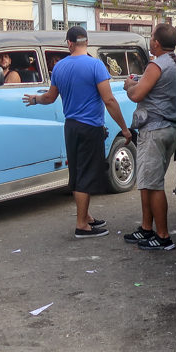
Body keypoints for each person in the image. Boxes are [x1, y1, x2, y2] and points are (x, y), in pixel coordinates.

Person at [22, 26, 132, 238]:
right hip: (90, 128)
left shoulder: (60, 68)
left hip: (71, 127)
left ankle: (86, 216)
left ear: (69, 43)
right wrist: (125, 129)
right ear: (86, 42)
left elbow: (50, 98)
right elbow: (109, 99)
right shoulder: (96, 66)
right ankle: (82, 225)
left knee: (77, 173)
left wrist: (35, 99)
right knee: (86, 175)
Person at [122, 23, 176, 250]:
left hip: (154, 130)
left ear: (156, 42)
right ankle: (147, 229)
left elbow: (136, 94)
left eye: (152, 38)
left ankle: (163, 236)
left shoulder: (156, 66)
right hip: (171, 128)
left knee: (154, 184)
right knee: (147, 181)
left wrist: (129, 85)